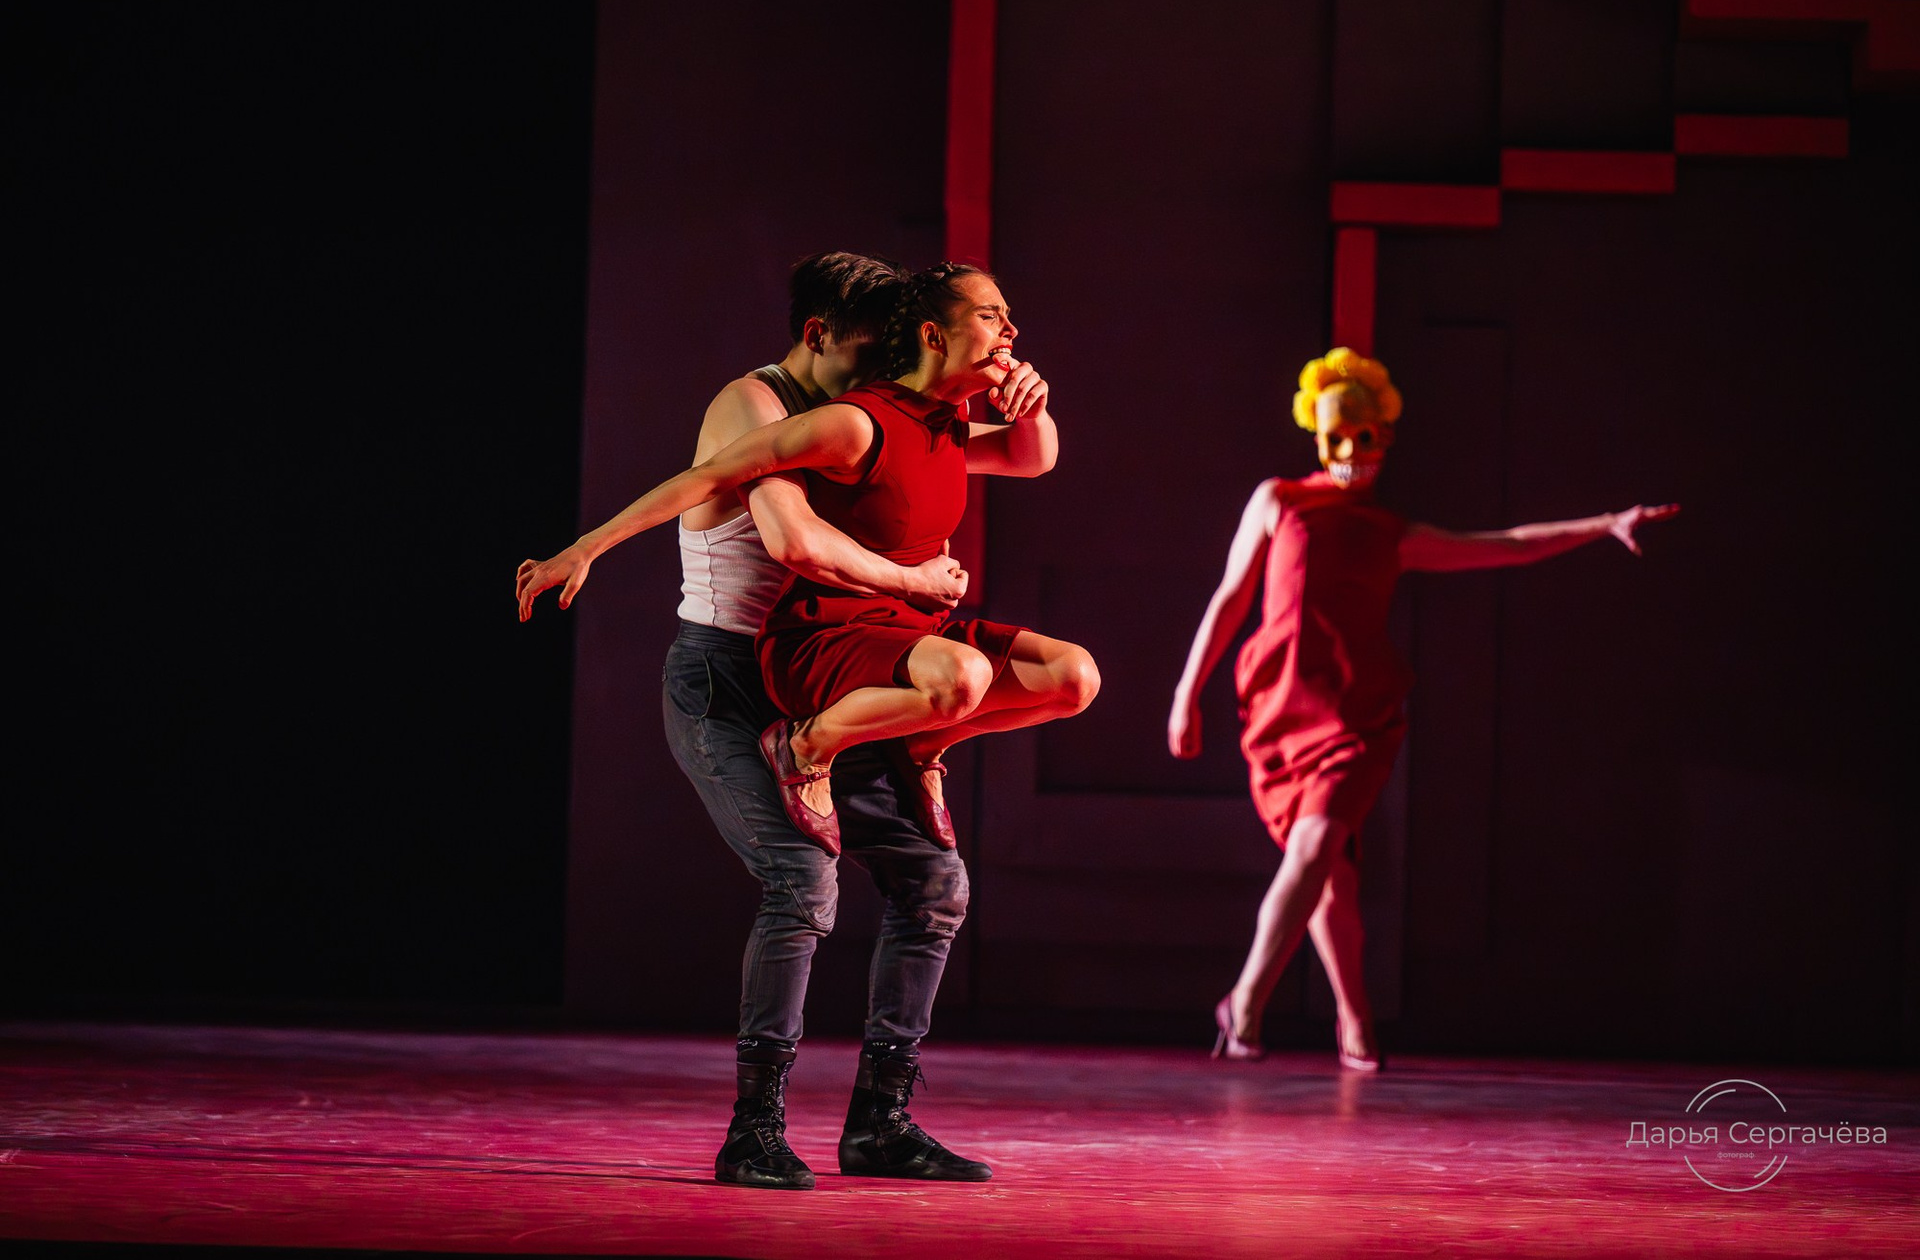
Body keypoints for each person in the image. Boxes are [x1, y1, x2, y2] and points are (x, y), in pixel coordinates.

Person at [517, 256, 1093, 1187]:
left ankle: (881, 1124)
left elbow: (1023, 453)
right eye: (871, 347)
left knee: (934, 883)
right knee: (801, 878)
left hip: (838, 674)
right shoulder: (763, 405)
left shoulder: (891, 409)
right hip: (731, 679)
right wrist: (586, 545)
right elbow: (794, 540)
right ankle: (755, 1129)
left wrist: (1024, 404)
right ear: (820, 335)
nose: (885, 363)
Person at [1167, 347, 1676, 1069]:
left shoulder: (1391, 532)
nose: (1354, 452)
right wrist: (1187, 692)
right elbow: (1230, 597)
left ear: (1385, 437)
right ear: (1317, 433)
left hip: (1357, 717)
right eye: (1339, 435)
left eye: (1367, 436)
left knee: (1316, 849)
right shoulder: (1277, 501)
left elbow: (1505, 546)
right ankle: (1355, 1019)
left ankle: (1244, 1002)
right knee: (1331, 877)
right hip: (1280, 710)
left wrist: (1605, 523)